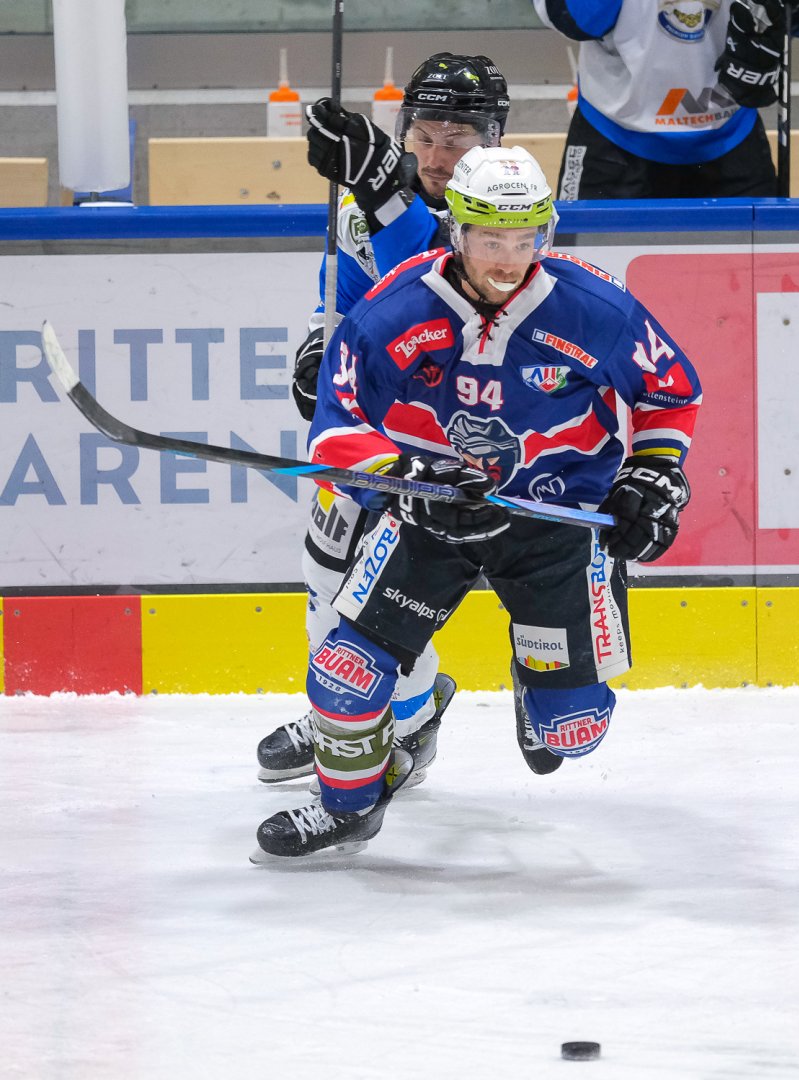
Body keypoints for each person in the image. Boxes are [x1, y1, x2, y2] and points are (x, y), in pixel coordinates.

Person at [253, 145, 702, 860]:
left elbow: (669, 394)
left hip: (555, 524)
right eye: (491, 239)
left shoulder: (594, 308)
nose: (509, 260)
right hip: (435, 515)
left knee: (571, 732)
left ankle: (538, 675)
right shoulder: (396, 308)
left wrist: (652, 474)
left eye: (525, 239)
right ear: (457, 231)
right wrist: (404, 478)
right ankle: (349, 806)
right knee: (345, 673)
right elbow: (336, 428)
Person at [256, 53, 521, 789]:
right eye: (423, 137)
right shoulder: (362, 207)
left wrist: (383, 194)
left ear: (493, 140)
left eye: (456, 140)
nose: (435, 157)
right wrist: (321, 349)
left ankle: (404, 720)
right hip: (369, 434)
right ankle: (350, 713)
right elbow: (345, 301)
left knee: (385, 598)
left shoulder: (507, 214)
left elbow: (446, 293)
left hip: (451, 446)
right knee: (324, 576)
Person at [532, 0, 799, 199]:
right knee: (588, 266)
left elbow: (795, 16)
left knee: (753, 268)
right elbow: (574, 19)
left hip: (730, 134)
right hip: (614, 138)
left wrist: (785, 10)